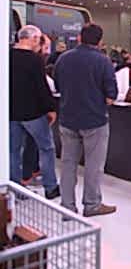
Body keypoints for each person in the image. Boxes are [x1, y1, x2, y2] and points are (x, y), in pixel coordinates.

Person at [55, 24, 118, 216]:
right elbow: (111, 95)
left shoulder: (63, 58)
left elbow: (58, 86)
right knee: (93, 165)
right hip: (94, 120)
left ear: (80, 38)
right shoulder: (103, 61)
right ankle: (92, 205)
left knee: (68, 164)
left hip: (67, 118)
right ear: (100, 41)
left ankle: (67, 206)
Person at [10, 25, 60, 199]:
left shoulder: (6, 55)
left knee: (13, 152)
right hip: (33, 114)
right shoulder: (34, 60)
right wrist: (51, 108)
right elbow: (41, 87)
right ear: (33, 39)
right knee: (46, 148)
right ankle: (50, 187)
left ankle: (16, 190)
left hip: (11, 113)